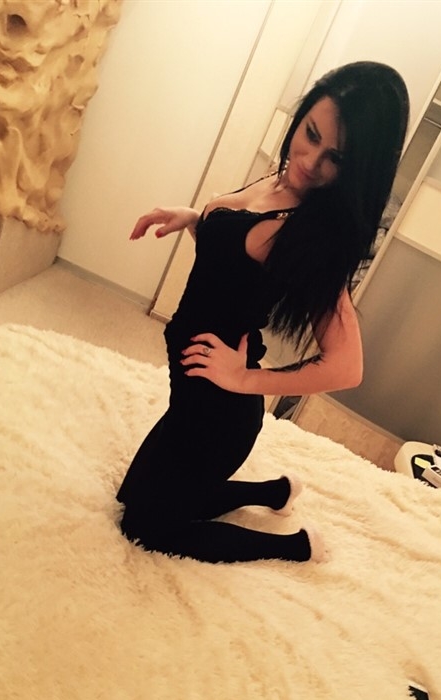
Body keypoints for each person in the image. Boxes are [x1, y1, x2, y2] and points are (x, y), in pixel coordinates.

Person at [117, 61, 409, 564]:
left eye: (335, 158)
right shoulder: (280, 179)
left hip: (219, 412)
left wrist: (245, 379)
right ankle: (275, 492)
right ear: (302, 116)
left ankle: (296, 546)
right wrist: (196, 219)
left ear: (357, 169)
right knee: (133, 494)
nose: (309, 162)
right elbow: (236, 263)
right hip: (191, 390)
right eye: (310, 135)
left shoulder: (312, 234)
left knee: (141, 526)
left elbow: (347, 366)